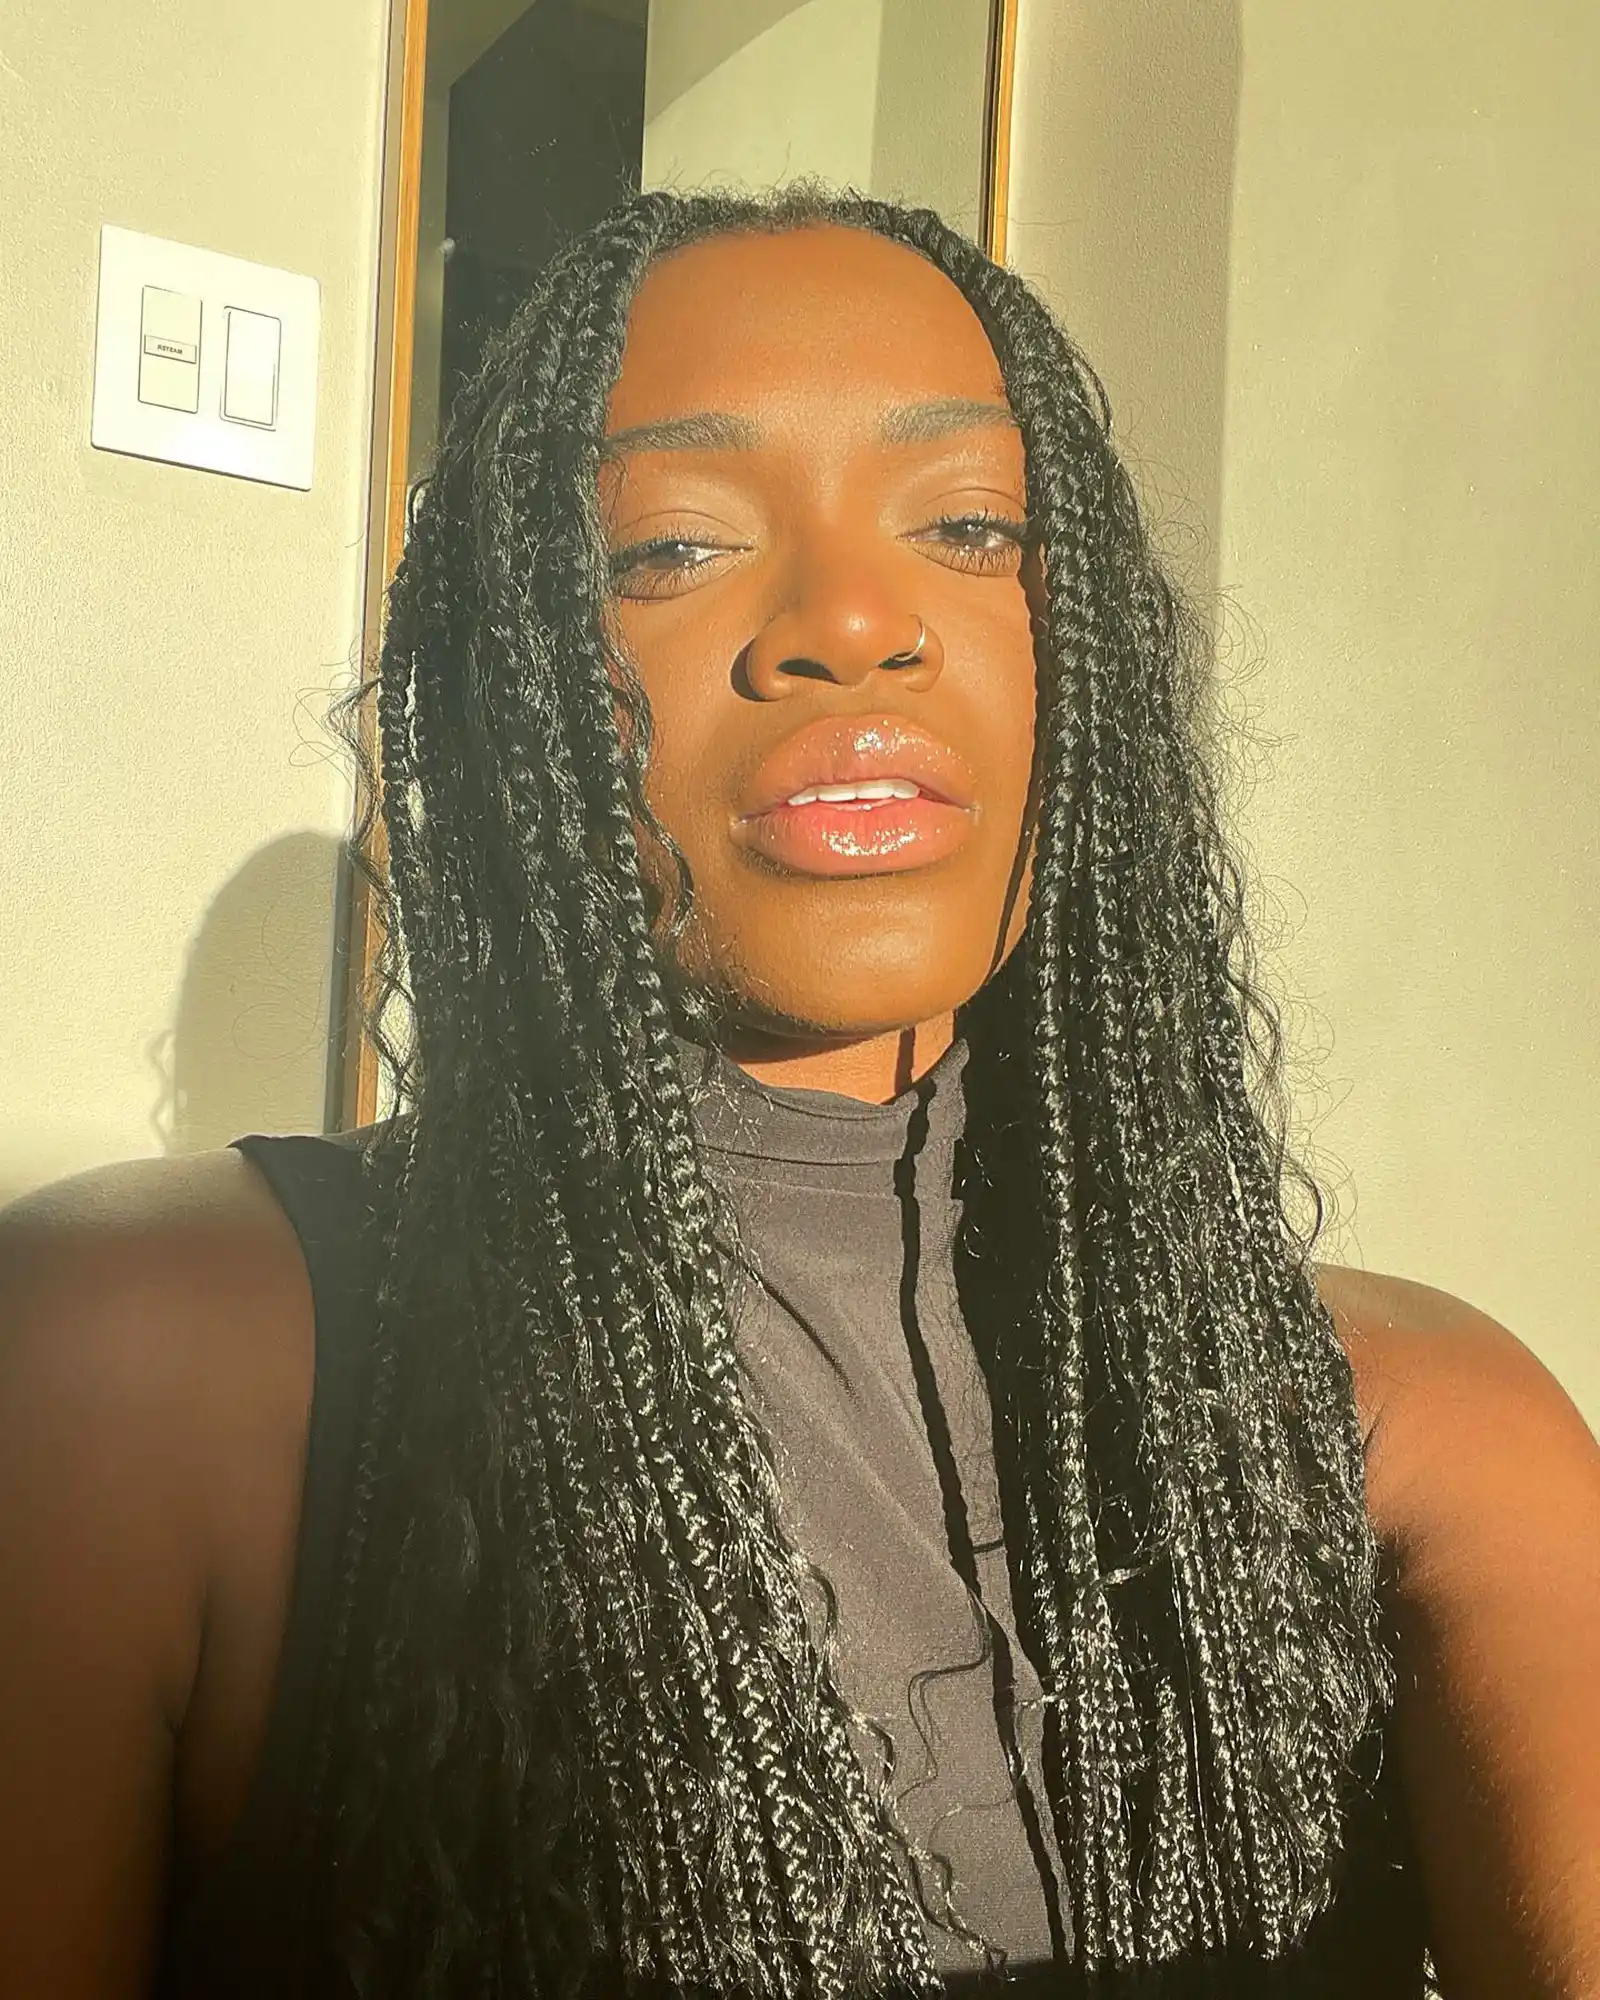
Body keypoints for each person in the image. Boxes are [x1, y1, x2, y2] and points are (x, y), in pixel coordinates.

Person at [1, 187, 1597, 2000]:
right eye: (671, 546)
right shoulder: (139, 1364)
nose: (851, 621)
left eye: (970, 526)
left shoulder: (1432, 1428)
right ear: (515, 682)